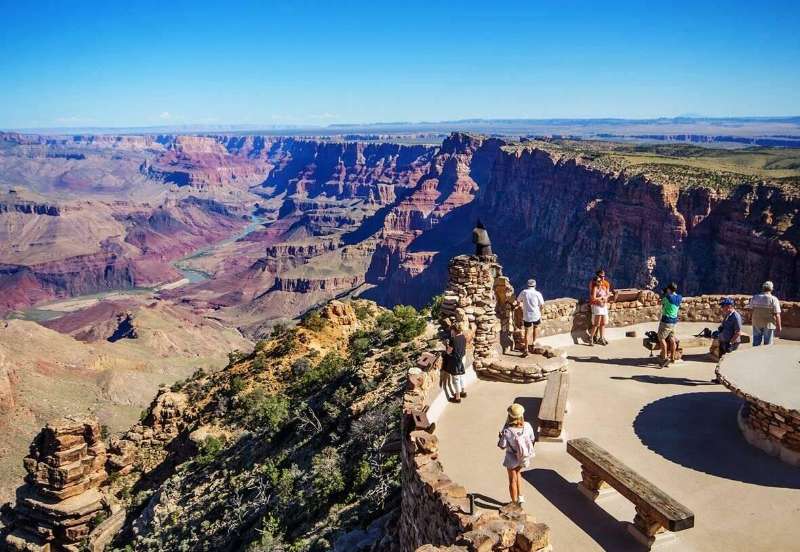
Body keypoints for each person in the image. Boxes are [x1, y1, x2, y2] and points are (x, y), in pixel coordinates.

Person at [497, 403, 535, 505]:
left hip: (511, 457)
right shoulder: (527, 426)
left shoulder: (507, 431)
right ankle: (520, 496)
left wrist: (501, 437)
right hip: (523, 456)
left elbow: (502, 446)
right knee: (518, 473)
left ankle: (514, 503)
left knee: (512, 479)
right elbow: (532, 439)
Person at [445, 321, 472, 403]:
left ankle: (457, 398)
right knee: (461, 377)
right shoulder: (463, 337)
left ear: (454, 330)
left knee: (455, 379)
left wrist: (447, 345)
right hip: (462, 358)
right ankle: (463, 392)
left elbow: (448, 352)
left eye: (451, 330)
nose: (451, 331)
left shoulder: (454, 340)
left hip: (455, 361)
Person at [516, 279, 544, 357]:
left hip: (527, 315)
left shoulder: (524, 292)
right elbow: (542, 305)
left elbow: (518, 301)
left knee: (527, 331)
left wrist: (521, 305)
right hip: (536, 315)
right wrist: (540, 312)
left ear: (527, 285)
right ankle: (534, 343)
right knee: (536, 327)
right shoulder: (538, 293)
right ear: (535, 285)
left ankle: (526, 349)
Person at [656, 282, 682, 367]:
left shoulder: (667, 297)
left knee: (661, 338)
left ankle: (664, 358)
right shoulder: (679, 297)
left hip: (666, 321)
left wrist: (664, 294)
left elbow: (661, 303)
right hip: (674, 321)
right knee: (671, 338)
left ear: (669, 289)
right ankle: (673, 357)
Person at [749, 281, 782, 346]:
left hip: (756, 322)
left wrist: (751, 319)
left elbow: (751, 310)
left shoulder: (755, 297)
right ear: (771, 289)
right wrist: (779, 326)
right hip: (769, 324)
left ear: (763, 288)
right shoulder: (774, 299)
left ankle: (755, 354)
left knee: (756, 342)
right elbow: (777, 314)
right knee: (768, 344)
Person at [588, 269, 612, 346]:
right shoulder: (593, 284)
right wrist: (601, 298)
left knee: (603, 323)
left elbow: (607, 294)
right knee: (596, 323)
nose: (602, 278)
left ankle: (601, 338)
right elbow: (592, 296)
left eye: (603, 276)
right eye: (601, 276)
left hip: (603, 305)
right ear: (597, 277)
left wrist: (605, 299)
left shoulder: (606, 284)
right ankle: (592, 338)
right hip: (596, 305)